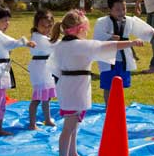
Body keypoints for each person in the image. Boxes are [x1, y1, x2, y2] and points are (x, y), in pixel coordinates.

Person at [47, 9, 143, 156]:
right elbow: (108, 46)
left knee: (73, 125)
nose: (87, 33)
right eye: (85, 29)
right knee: (69, 127)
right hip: (75, 88)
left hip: (68, 86)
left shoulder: (61, 45)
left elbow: (55, 68)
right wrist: (132, 42)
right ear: (79, 29)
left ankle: (72, 152)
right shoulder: (80, 45)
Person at [0, 4, 36, 139]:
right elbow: (12, 43)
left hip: (0, 71)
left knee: (1, 103)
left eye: (7, 20)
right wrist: (26, 43)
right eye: (4, 20)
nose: (7, 23)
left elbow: (7, 45)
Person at [94, 0, 154, 106]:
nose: (122, 12)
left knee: (120, 84)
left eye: (124, 9)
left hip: (123, 59)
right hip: (108, 59)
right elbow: (97, 38)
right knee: (108, 85)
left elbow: (141, 28)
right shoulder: (102, 22)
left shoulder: (129, 21)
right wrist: (109, 37)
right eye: (118, 10)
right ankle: (108, 107)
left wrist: (150, 32)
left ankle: (117, 106)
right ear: (110, 9)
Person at [28, 9, 57, 130]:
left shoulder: (45, 37)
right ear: (36, 25)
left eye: (49, 26)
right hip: (40, 69)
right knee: (37, 98)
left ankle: (47, 119)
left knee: (47, 97)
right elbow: (54, 44)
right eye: (43, 26)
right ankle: (32, 123)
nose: (46, 29)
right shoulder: (38, 37)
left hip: (46, 68)